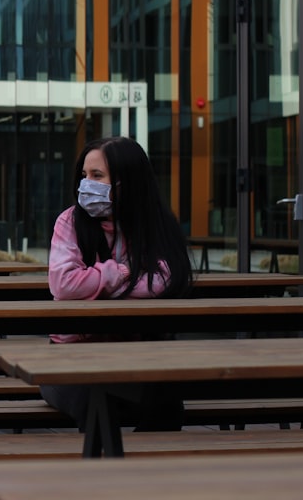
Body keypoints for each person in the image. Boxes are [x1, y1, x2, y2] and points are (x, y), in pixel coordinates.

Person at [39, 135, 194, 431]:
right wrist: (125, 273)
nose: (86, 184)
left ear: (128, 182)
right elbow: (64, 285)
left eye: (97, 176)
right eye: (84, 175)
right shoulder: (69, 222)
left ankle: (150, 476)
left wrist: (96, 285)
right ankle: (101, 474)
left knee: (167, 403)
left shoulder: (156, 224)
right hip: (68, 363)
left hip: (134, 360)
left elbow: (167, 279)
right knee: (98, 405)